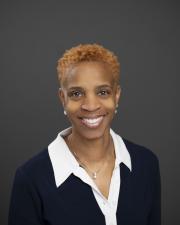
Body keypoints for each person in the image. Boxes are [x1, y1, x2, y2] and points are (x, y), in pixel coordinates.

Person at [8, 44, 161, 225]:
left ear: (117, 96)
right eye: (76, 93)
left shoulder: (145, 164)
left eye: (103, 92)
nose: (91, 105)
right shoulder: (31, 179)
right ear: (62, 99)